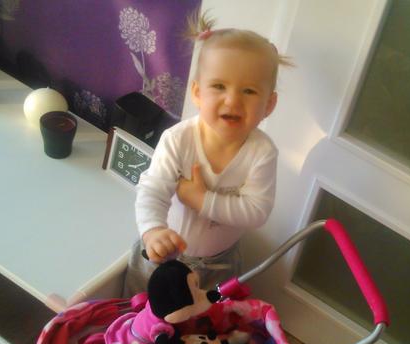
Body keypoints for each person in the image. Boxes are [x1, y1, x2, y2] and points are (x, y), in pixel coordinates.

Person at [123, 11, 293, 295]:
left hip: (219, 264)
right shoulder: (179, 139)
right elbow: (153, 189)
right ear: (197, 93)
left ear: (269, 105)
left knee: (206, 317)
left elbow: (256, 212)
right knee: (138, 309)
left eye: (249, 91)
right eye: (219, 86)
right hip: (162, 257)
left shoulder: (262, 153)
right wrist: (153, 230)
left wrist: (201, 200)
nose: (232, 100)